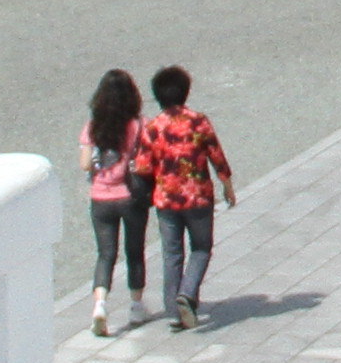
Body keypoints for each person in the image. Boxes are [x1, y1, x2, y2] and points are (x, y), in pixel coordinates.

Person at [128, 64, 233, 332]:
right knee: (200, 248)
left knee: (171, 253)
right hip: (198, 197)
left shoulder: (153, 127)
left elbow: (142, 167)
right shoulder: (198, 121)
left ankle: (174, 312)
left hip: (166, 199)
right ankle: (187, 292)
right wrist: (227, 184)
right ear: (185, 92)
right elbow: (216, 154)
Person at [81, 70, 149, 335]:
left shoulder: (93, 126)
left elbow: (85, 163)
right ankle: (136, 305)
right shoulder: (138, 125)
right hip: (131, 196)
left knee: (105, 254)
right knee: (135, 251)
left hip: (101, 197)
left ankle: (100, 304)